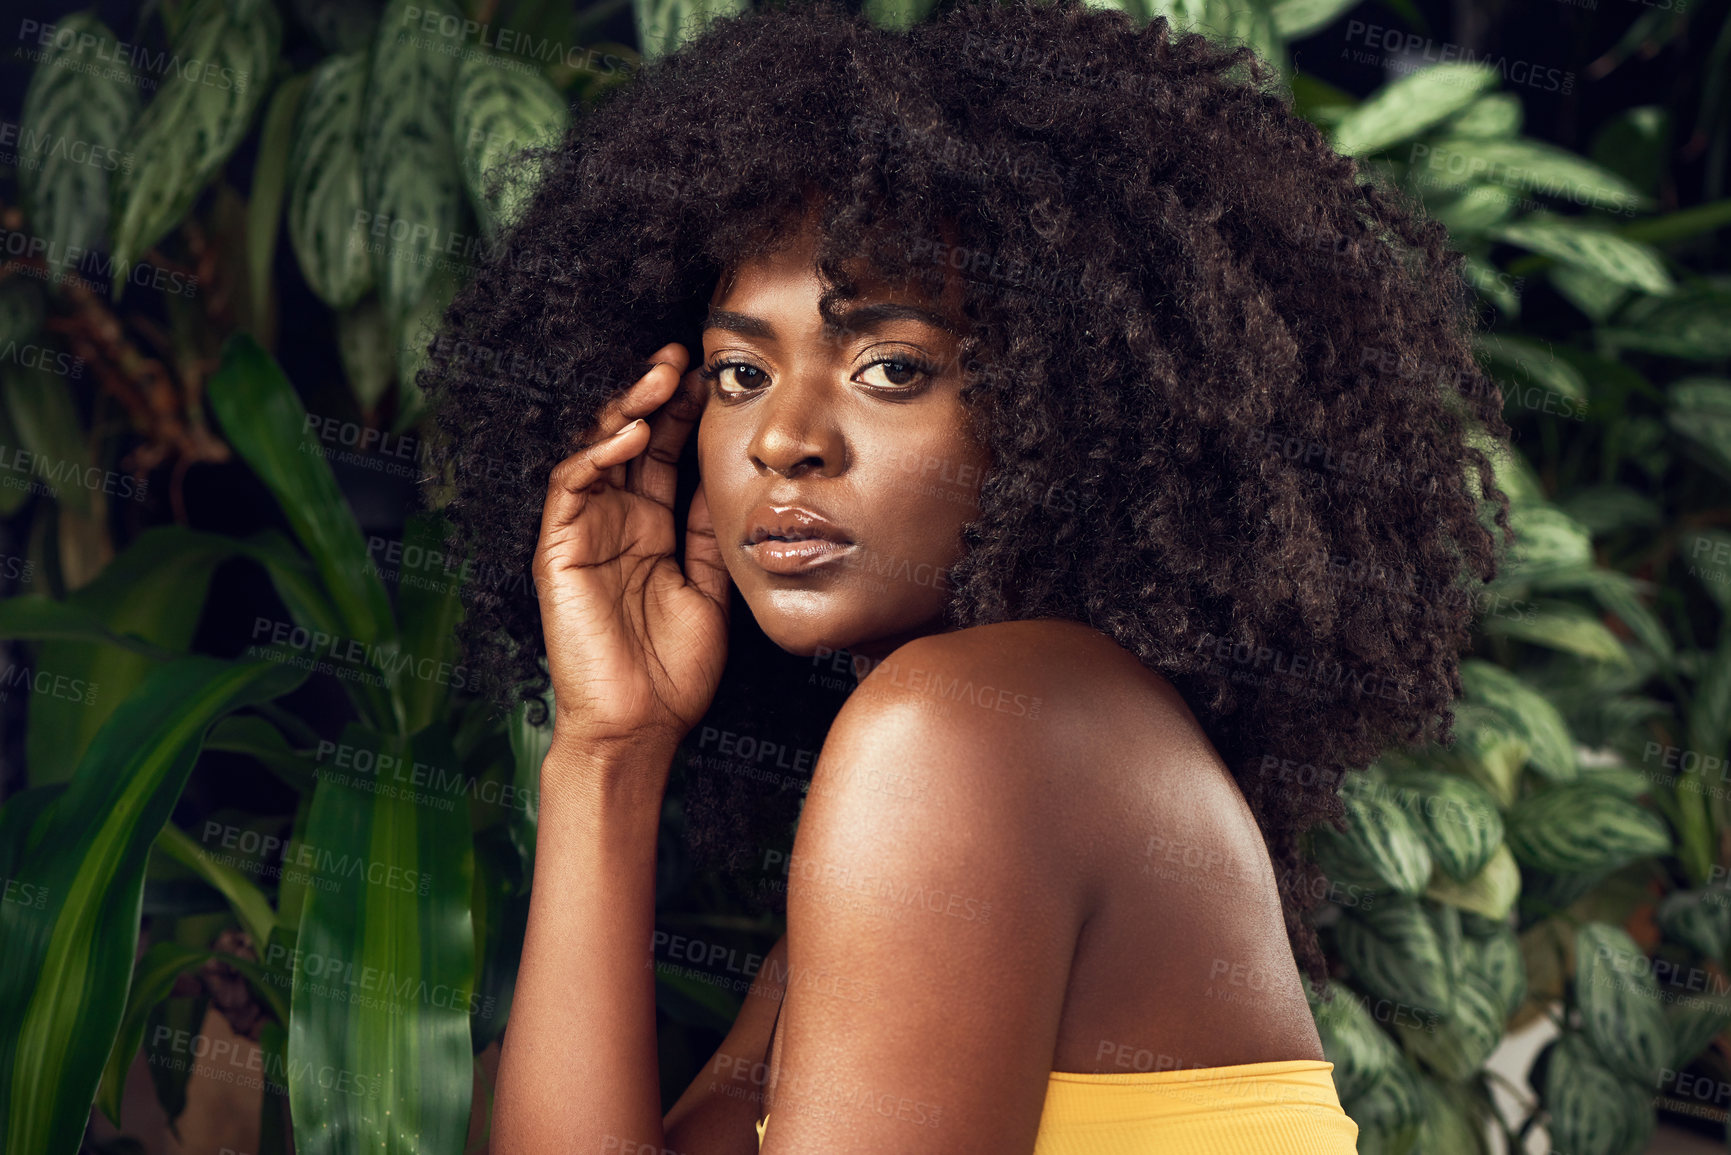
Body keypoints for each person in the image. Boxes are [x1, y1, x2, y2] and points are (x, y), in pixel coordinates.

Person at [420, 0, 1515, 1150]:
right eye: (740, 371)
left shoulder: (958, 736)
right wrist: (610, 752)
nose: (782, 438)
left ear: (1077, 409)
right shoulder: (999, 748)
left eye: (891, 367)